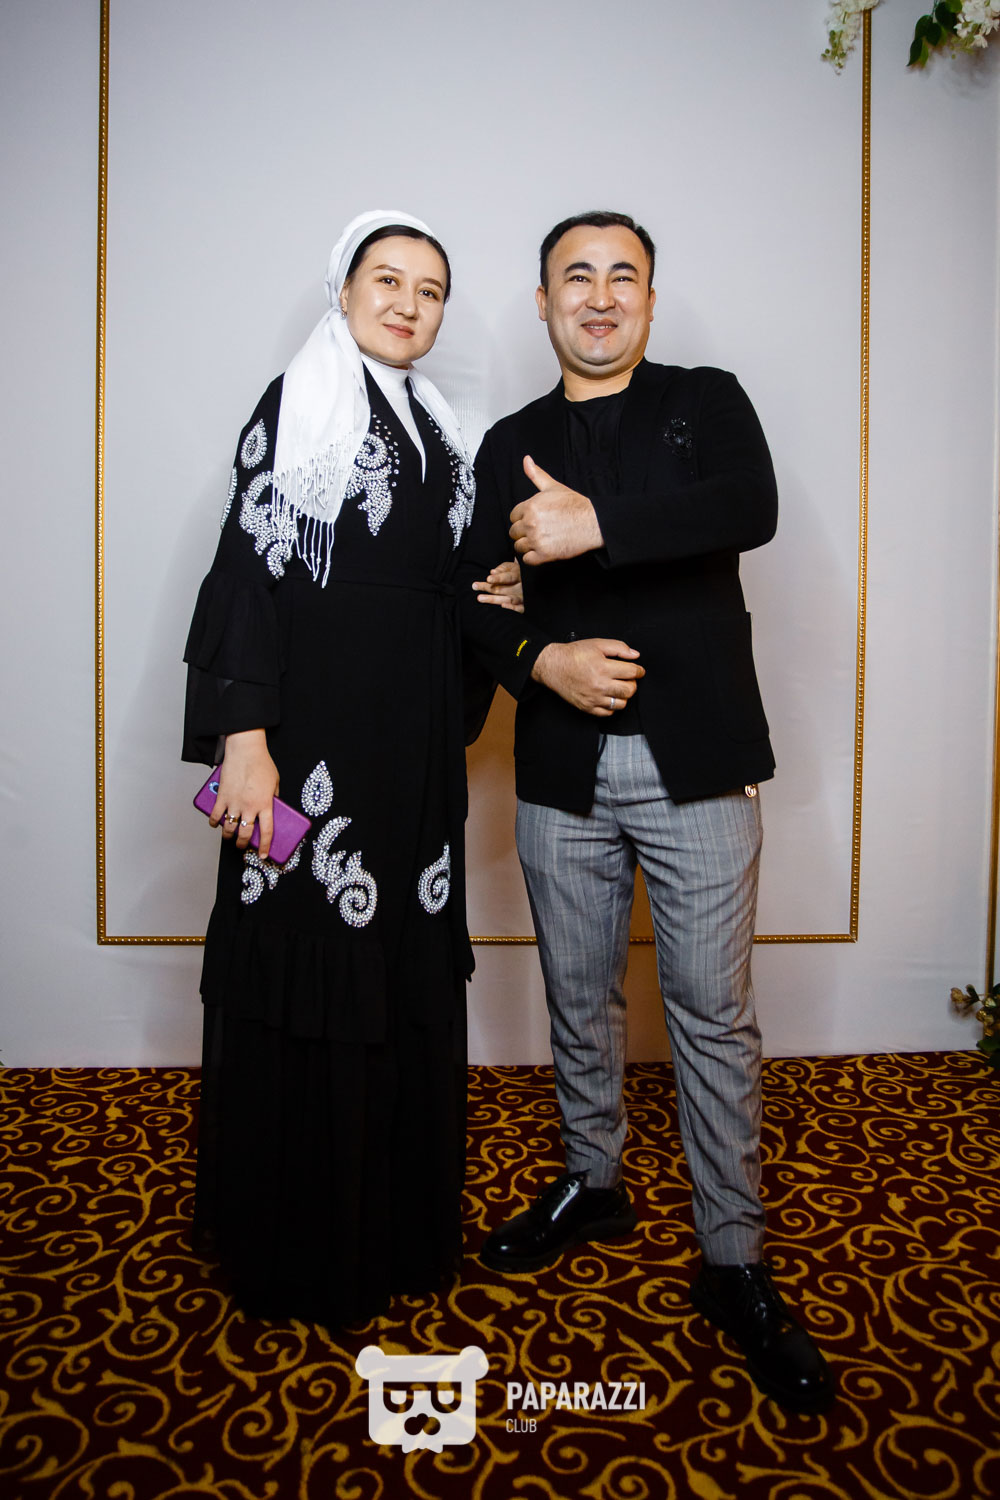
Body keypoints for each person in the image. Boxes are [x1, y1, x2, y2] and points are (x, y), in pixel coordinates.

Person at [459, 211, 834, 1413]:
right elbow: (471, 601)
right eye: (576, 276)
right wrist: (540, 660)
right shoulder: (508, 442)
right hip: (561, 767)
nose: (600, 295)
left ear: (651, 301)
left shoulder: (704, 401)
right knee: (578, 996)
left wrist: (594, 526)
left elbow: (750, 505)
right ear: (543, 302)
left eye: (623, 275)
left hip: (698, 761)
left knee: (710, 1017)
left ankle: (733, 1260)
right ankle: (594, 1180)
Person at [182, 210, 479, 1327]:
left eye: (431, 290)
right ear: (343, 289)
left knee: (395, 968)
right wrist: (244, 740)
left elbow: (445, 583)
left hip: (411, 755)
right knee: (310, 969)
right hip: (309, 747)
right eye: (387, 279)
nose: (409, 303)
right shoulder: (296, 403)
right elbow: (246, 572)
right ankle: (300, 1245)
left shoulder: (442, 428)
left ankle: (388, 1227)